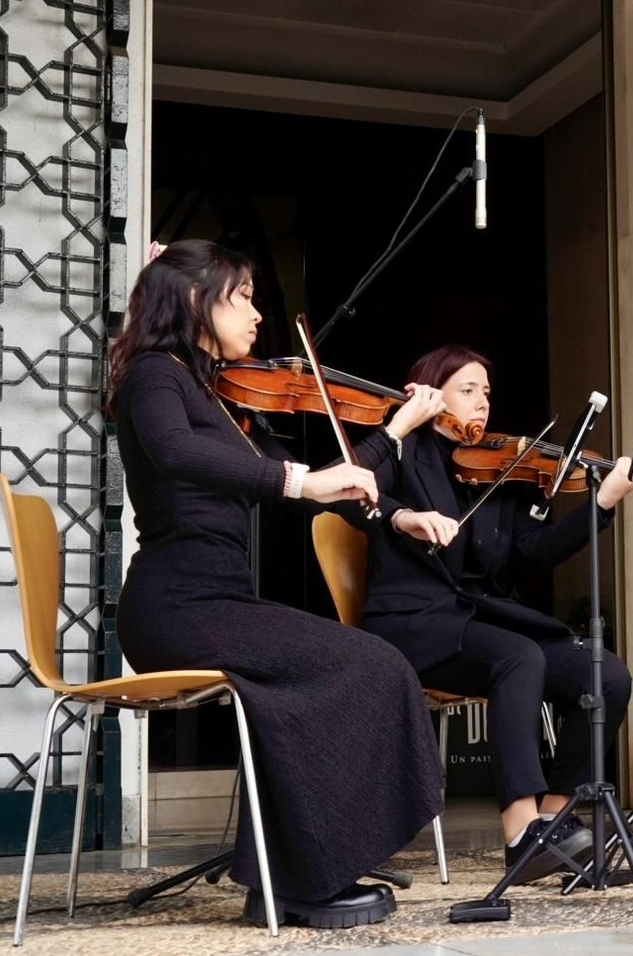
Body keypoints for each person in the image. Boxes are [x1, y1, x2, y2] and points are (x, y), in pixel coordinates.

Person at [107, 239, 446, 928]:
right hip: (176, 606)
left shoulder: (208, 394)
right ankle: (302, 877)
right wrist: (299, 478)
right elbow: (180, 451)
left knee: (358, 665)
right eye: (244, 297)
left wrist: (396, 431)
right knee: (362, 665)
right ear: (197, 300)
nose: (259, 314)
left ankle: (289, 874)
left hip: (219, 603)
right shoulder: (152, 374)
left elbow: (332, 484)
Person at [355, 345, 633, 882]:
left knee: (606, 674)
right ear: (431, 395)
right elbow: (350, 497)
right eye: (468, 390)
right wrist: (405, 516)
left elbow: (538, 550)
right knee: (519, 658)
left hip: (485, 620)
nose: (483, 402)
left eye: (486, 392)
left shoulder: (499, 468)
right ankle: (519, 830)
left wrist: (602, 503)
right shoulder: (400, 451)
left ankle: (555, 822)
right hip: (415, 623)